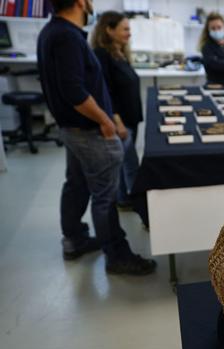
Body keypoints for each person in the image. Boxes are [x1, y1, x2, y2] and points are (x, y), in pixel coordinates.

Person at [38, 0, 156, 275]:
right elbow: (75, 92)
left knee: (77, 184)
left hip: (74, 130)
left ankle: (74, 238)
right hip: (89, 131)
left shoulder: (53, 31)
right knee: (104, 197)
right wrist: (106, 120)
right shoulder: (67, 36)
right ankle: (117, 255)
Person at [91, 11, 142, 209]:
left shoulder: (119, 52)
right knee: (129, 165)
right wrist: (117, 121)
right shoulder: (102, 56)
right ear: (109, 30)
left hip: (131, 117)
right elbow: (106, 92)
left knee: (125, 163)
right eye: (125, 29)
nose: (129, 33)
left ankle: (124, 198)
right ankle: (137, 204)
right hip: (121, 121)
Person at [199, 12, 224, 86]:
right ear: (208, 30)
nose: (216, 30)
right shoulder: (206, 47)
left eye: (219, 27)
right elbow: (216, 65)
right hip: (214, 86)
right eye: (213, 28)